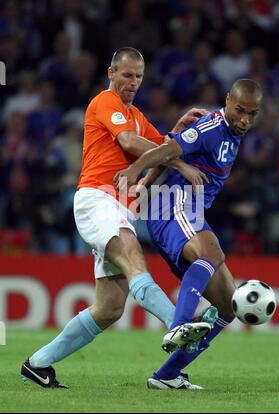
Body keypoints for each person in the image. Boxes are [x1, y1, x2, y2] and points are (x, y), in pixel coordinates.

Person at [20, 47, 211, 388]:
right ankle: (177, 323)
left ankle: (38, 364)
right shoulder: (104, 103)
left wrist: (179, 129)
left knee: (109, 308)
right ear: (111, 73)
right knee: (135, 256)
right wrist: (178, 163)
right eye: (126, 75)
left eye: (138, 77)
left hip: (119, 207)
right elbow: (130, 141)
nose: (132, 82)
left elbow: (163, 145)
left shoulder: (135, 114)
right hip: (97, 199)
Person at [115, 79, 263, 389]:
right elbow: (167, 149)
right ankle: (178, 325)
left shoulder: (234, 134)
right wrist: (136, 174)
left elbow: (172, 145)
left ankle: (167, 376)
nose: (245, 120)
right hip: (174, 204)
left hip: (189, 214)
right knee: (212, 252)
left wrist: (147, 181)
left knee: (227, 306)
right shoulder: (210, 126)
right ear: (227, 101)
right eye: (239, 111)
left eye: (252, 114)